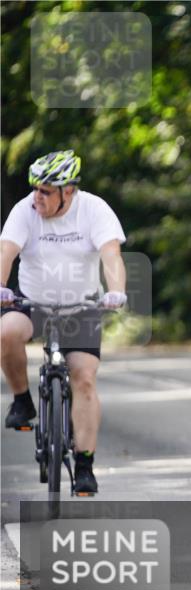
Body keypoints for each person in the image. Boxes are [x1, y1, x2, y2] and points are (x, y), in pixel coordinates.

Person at [0, 149, 128, 495]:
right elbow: (6, 252)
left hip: (80, 306)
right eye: (34, 189)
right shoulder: (24, 211)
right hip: (32, 301)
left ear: (68, 191)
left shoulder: (94, 210)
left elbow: (111, 255)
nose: (37, 197)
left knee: (83, 379)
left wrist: (116, 290)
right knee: (5, 332)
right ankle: (22, 400)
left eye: (45, 191)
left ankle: (84, 466)